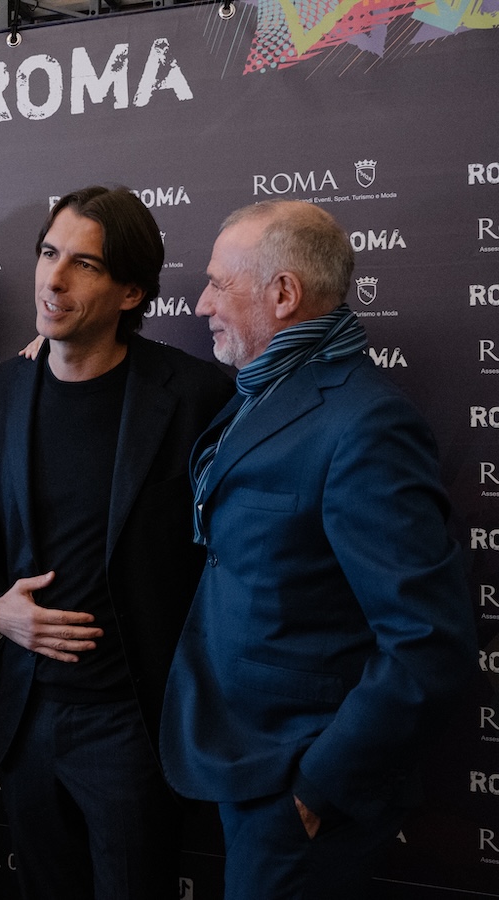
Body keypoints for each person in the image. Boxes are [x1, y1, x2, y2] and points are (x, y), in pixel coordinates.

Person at [159, 200, 475, 900]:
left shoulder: (365, 425)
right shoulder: (263, 390)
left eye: (218, 283)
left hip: (297, 785)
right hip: (239, 759)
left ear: (283, 293)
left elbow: (428, 639)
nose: (202, 301)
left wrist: (316, 787)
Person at [0, 186, 233, 899]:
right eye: (49, 254)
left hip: (133, 724)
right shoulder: (3, 392)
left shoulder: (195, 395)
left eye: (82, 264)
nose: (53, 279)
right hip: (28, 720)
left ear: (130, 292)